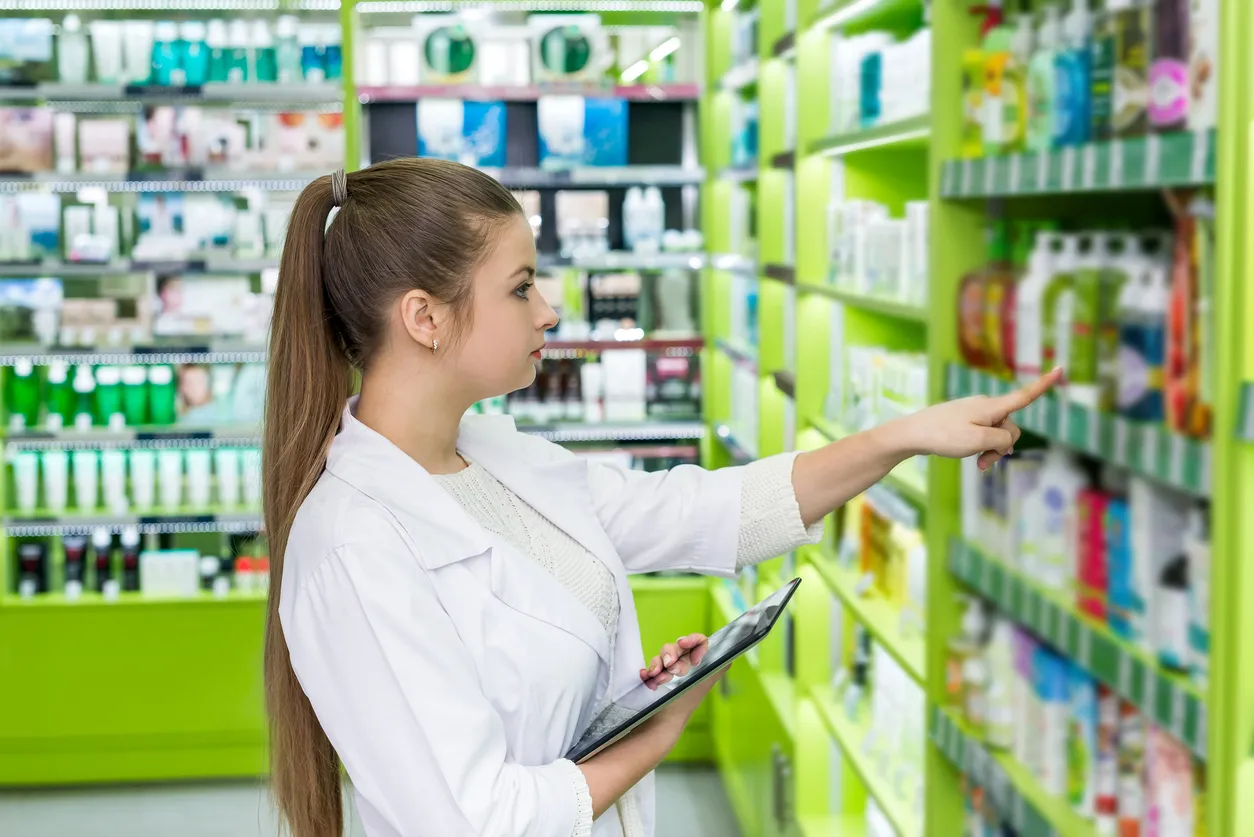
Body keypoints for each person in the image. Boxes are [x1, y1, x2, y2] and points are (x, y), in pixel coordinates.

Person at [263, 158, 1059, 837]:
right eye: (521, 288)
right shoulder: (353, 547)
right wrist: (662, 728)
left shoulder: (496, 458)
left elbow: (705, 512)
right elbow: (486, 818)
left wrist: (902, 435)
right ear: (424, 317)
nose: (549, 310)